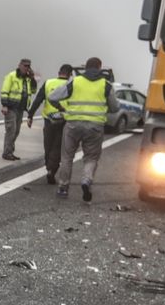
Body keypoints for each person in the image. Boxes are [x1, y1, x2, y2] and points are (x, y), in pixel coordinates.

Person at [49, 56, 118, 202]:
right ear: (100, 68)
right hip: (95, 126)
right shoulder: (106, 85)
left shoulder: (75, 81)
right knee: (91, 158)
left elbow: (52, 96)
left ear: (85, 67)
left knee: (67, 157)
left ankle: (63, 188)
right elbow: (115, 107)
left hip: (73, 124)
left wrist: (60, 108)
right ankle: (86, 181)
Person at [27, 63, 73, 184]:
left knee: (48, 145)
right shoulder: (70, 85)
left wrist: (30, 115)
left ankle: (49, 167)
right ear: (70, 75)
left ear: (59, 72)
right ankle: (51, 170)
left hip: (48, 120)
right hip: (64, 120)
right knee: (57, 147)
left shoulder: (48, 83)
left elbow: (38, 100)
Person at [0, 58, 36, 160]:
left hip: (21, 108)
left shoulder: (28, 79)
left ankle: (10, 151)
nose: (27, 68)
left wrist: (33, 79)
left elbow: (33, 91)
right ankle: (6, 153)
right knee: (11, 130)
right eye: (25, 66)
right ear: (19, 65)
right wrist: (4, 105)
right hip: (11, 107)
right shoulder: (11, 76)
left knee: (16, 131)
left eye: (28, 66)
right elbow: (5, 90)